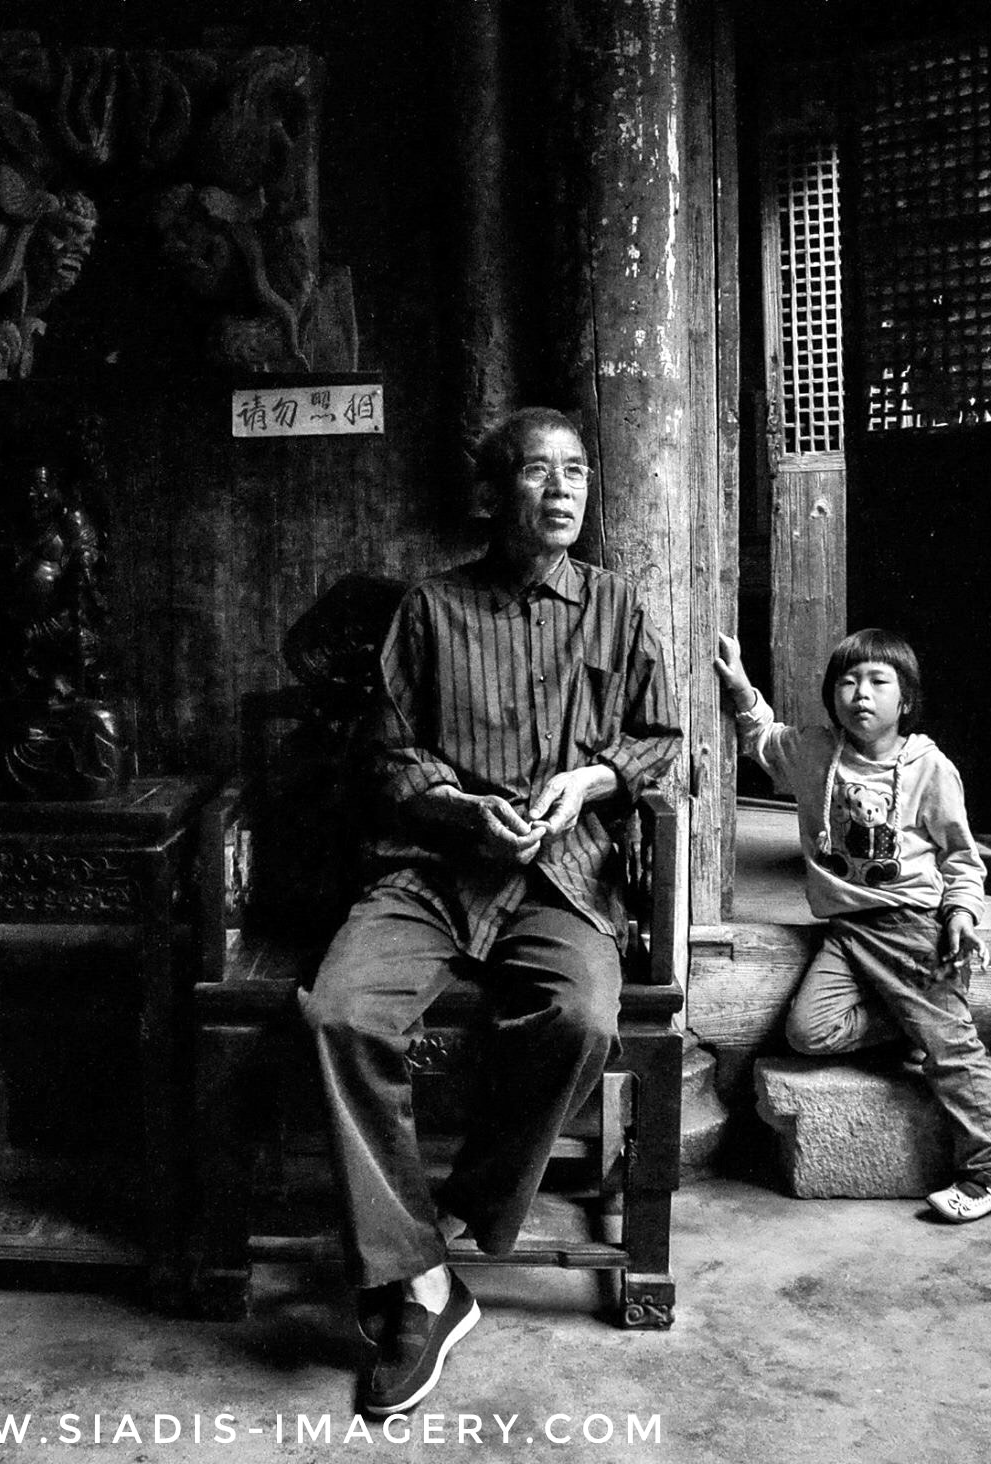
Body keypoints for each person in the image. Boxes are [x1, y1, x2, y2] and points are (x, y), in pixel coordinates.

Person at [299, 407, 681, 1417]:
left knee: (579, 1016)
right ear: (489, 494)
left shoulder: (615, 608)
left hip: (562, 874)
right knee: (339, 1011)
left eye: (575, 473)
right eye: (535, 472)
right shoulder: (429, 608)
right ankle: (421, 1282)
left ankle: (454, 1215)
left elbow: (659, 739)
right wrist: (456, 806)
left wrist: (592, 780)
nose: (560, 489)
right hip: (429, 872)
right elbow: (384, 756)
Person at [712, 628, 991, 1224]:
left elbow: (962, 858)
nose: (861, 695)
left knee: (951, 1050)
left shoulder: (930, 768)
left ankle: (989, 1174)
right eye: (847, 682)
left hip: (912, 928)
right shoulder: (816, 752)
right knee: (808, 1031)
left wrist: (960, 912)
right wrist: (742, 683)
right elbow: (760, 738)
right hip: (846, 932)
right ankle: (907, 1025)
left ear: (906, 701)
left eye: (879, 682)